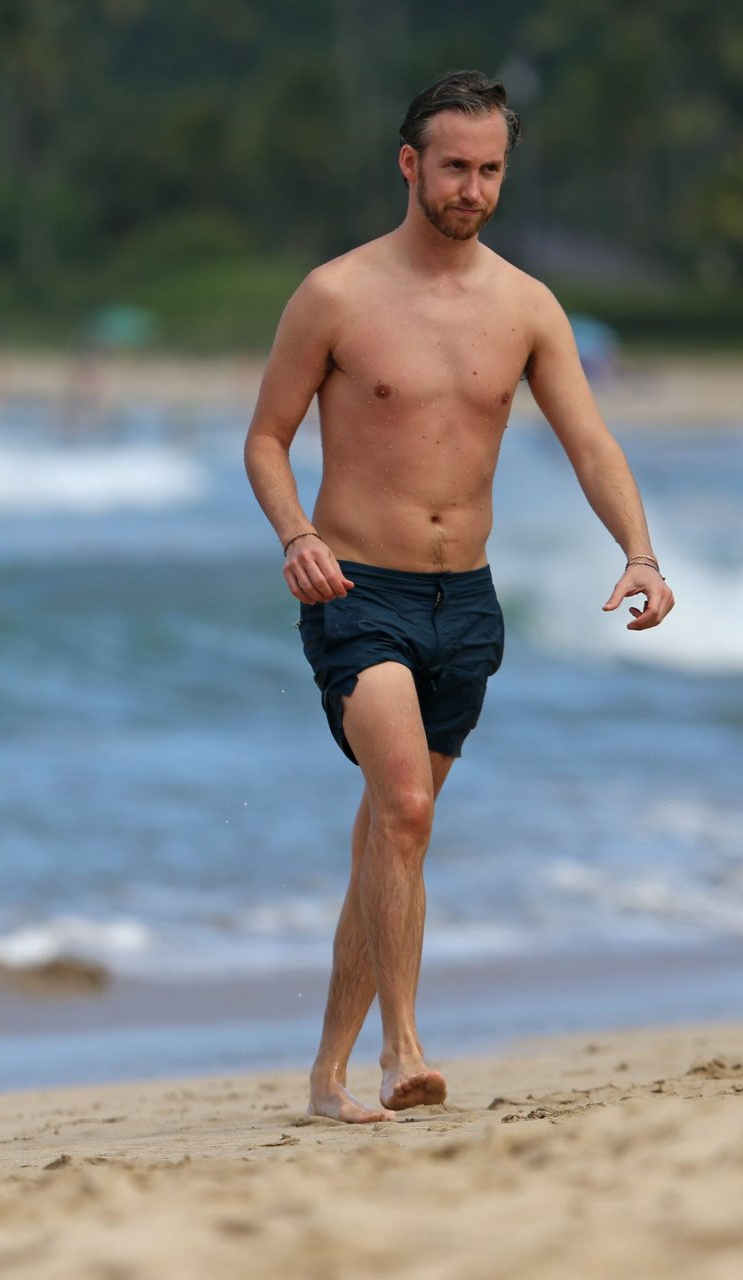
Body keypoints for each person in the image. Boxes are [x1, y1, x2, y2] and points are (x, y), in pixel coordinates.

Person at [242, 72, 675, 1124]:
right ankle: (405, 1050)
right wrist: (297, 535)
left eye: (489, 170)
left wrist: (640, 551)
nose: (472, 189)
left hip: (466, 605)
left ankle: (328, 1075)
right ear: (410, 164)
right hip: (357, 590)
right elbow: (266, 438)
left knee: (391, 836)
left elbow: (589, 441)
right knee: (406, 807)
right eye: (453, 168)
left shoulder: (526, 306)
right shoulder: (335, 294)